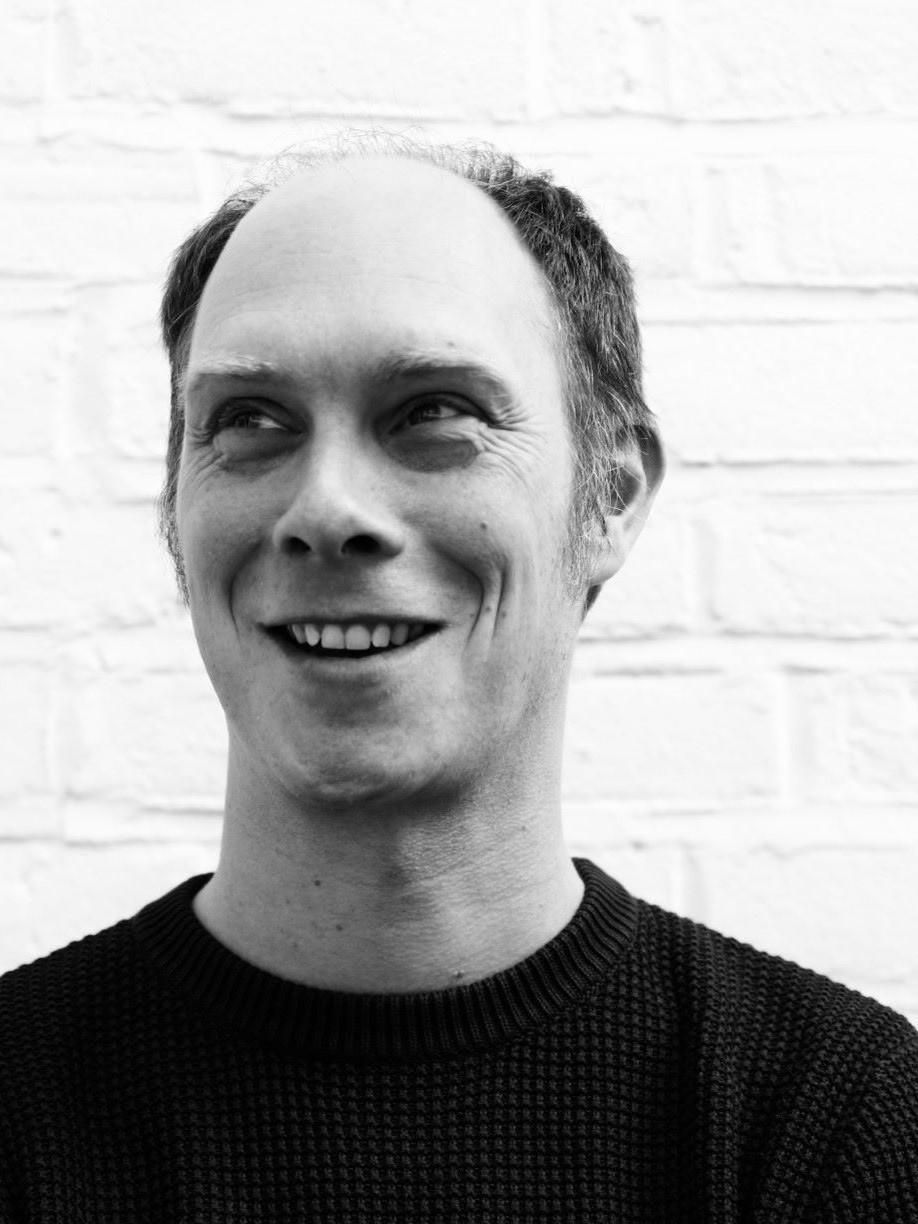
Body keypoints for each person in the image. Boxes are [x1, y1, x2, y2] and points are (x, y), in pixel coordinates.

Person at [1, 132, 916, 1222]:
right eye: (250, 421)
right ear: (173, 506)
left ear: (611, 495)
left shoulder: (838, 1125)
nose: (327, 510)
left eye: (434, 412)